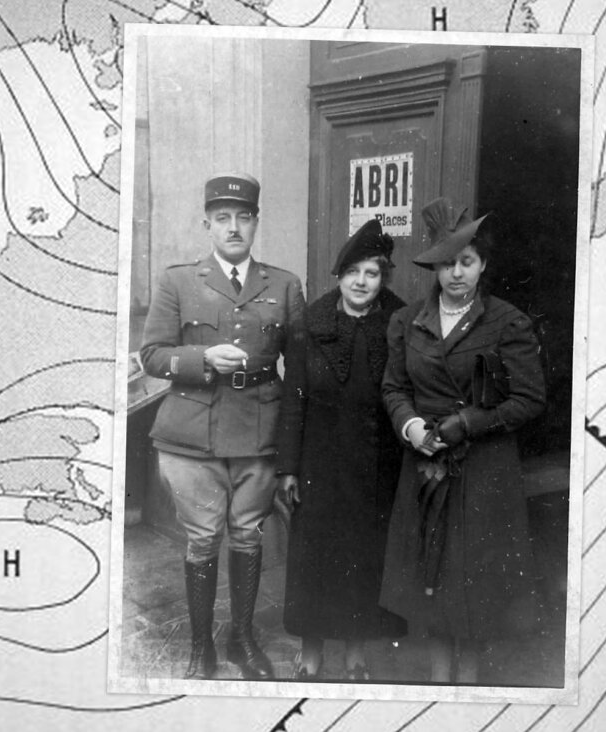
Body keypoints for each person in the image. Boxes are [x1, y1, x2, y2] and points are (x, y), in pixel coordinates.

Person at [139, 172, 305, 681]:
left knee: (248, 537)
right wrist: (201, 357)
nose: (234, 228)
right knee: (201, 539)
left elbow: (298, 369)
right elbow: (151, 355)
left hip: (259, 432)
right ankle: (198, 648)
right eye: (223, 219)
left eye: (244, 218)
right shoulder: (178, 281)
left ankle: (242, 638)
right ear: (207, 224)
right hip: (192, 435)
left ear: (256, 223)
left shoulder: (284, 284)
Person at [378, 197, 547, 684]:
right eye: (447, 263)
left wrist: (469, 423)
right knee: (429, 572)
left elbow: (530, 399)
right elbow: (394, 388)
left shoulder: (506, 322)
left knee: (472, 577)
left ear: (483, 265)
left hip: (482, 468)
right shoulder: (407, 321)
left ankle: (469, 681)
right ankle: (437, 676)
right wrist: (411, 426)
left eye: (466, 262)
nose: (456, 273)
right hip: (426, 463)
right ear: (435, 267)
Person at [276, 219, 408, 681]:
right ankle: (312, 648)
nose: (361, 282)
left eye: (371, 273)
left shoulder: (400, 321)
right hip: (318, 461)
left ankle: (355, 650)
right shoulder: (310, 322)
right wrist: (288, 468)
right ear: (339, 275)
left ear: (383, 278)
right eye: (353, 272)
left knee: (364, 556)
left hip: (376, 463)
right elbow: (293, 399)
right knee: (315, 557)